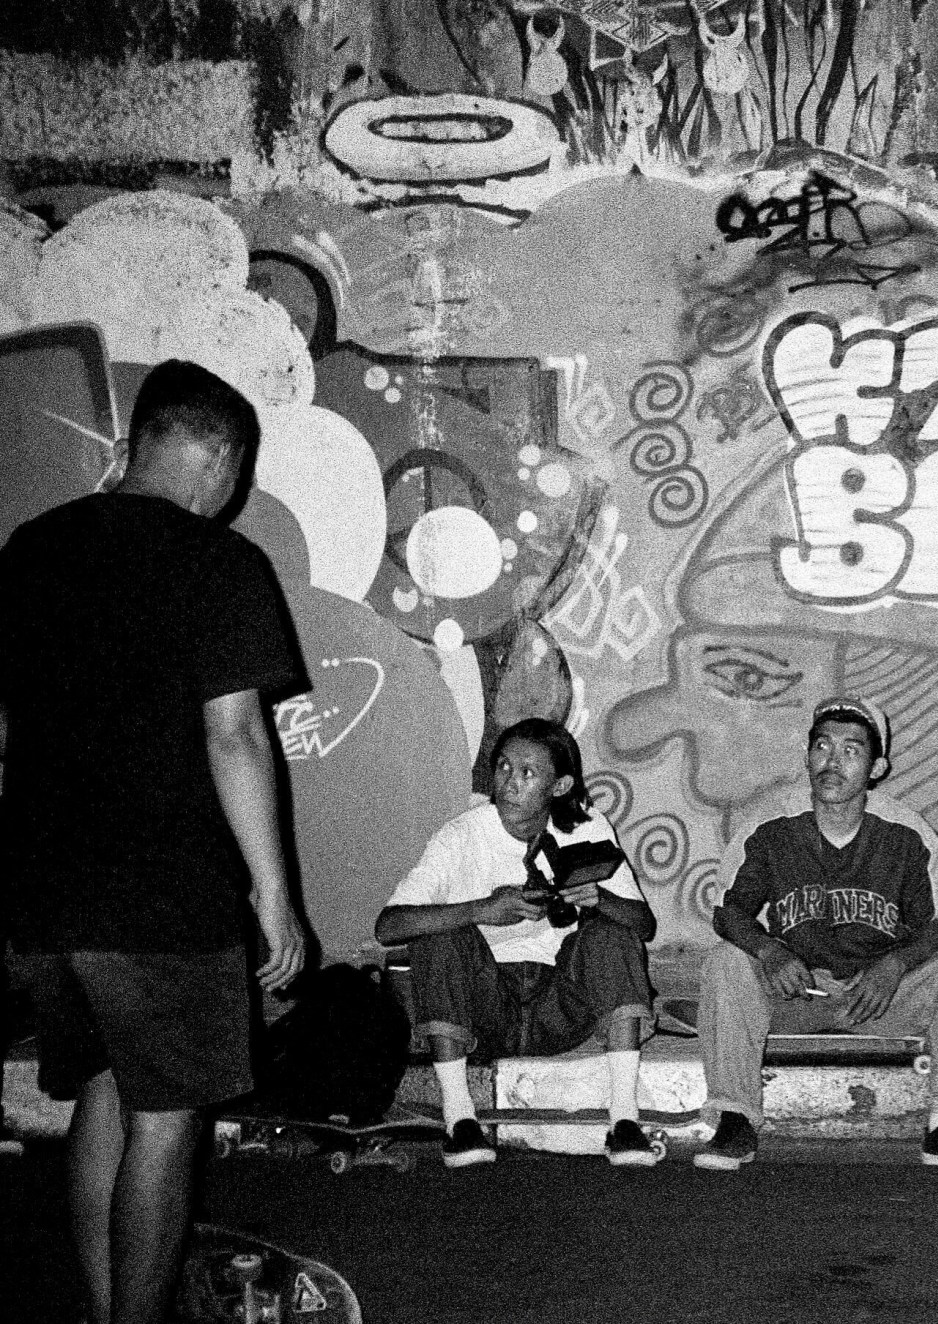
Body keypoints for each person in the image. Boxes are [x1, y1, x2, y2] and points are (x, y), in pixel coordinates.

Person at [0, 360, 308, 1324]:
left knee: (100, 1088)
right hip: (161, 897)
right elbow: (236, 735)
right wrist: (273, 893)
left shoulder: (31, 548)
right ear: (218, 458)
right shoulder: (218, 564)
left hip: (43, 893)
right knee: (167, 1123)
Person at [695, 696, 938, 1171]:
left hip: (878, 997)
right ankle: (734, 1119)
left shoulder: (907, 833)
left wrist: (895, 965)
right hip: (796, 993)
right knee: (725, 961)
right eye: (822, 746)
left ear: (877, 767)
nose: (832, 762)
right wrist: (769, 951)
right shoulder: (769, 827)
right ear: (806, 756)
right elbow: (726, 911)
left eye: (851, 750)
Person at [376, 718, 658, 1167]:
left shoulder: (586, 828)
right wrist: (478, 910)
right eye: (504, 767)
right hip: (486, 1010)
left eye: (528, 773)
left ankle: (624, 1120)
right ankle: (460, 1120)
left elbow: (643, 926)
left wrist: (599, 898)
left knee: (609, 932)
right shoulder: (462, 835)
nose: (510, 782)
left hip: (559, 1007)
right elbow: (388, 926)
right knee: (438, 934)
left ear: (560, 784)